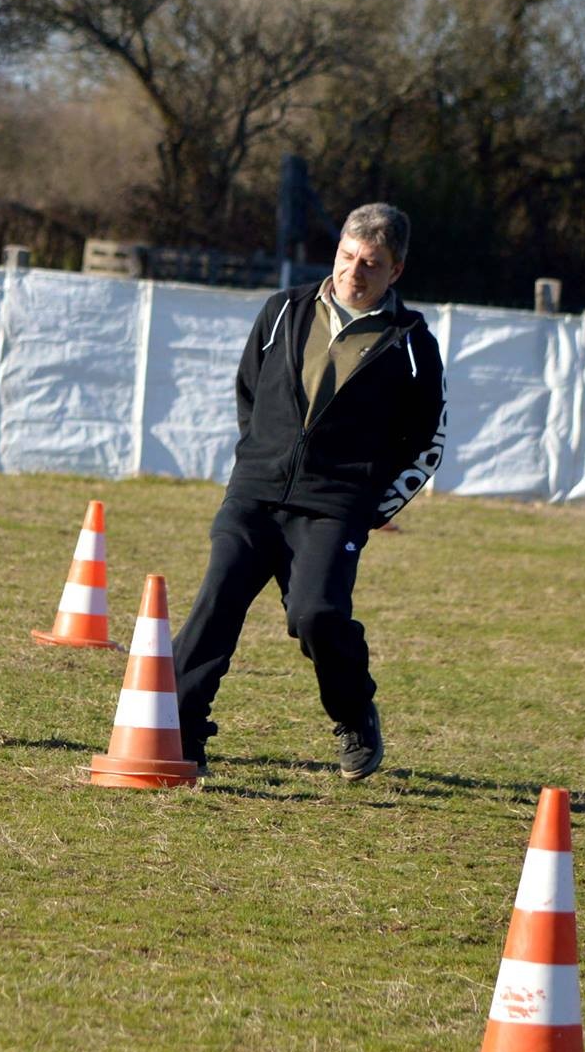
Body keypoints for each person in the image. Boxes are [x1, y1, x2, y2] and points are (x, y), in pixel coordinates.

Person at [173, 203, 445, 780]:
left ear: (395, 270)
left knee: (317, 614)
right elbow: (250, 391)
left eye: (371, 264)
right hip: (254, 494)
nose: (354, 272)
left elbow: (426, 443)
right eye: (347, 257)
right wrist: (259, 463)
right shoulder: (283, 310)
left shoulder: (414, 343)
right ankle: (181, 733)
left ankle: (353, 715)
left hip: (334, 508)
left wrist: (365, 508)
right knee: (215, 604)